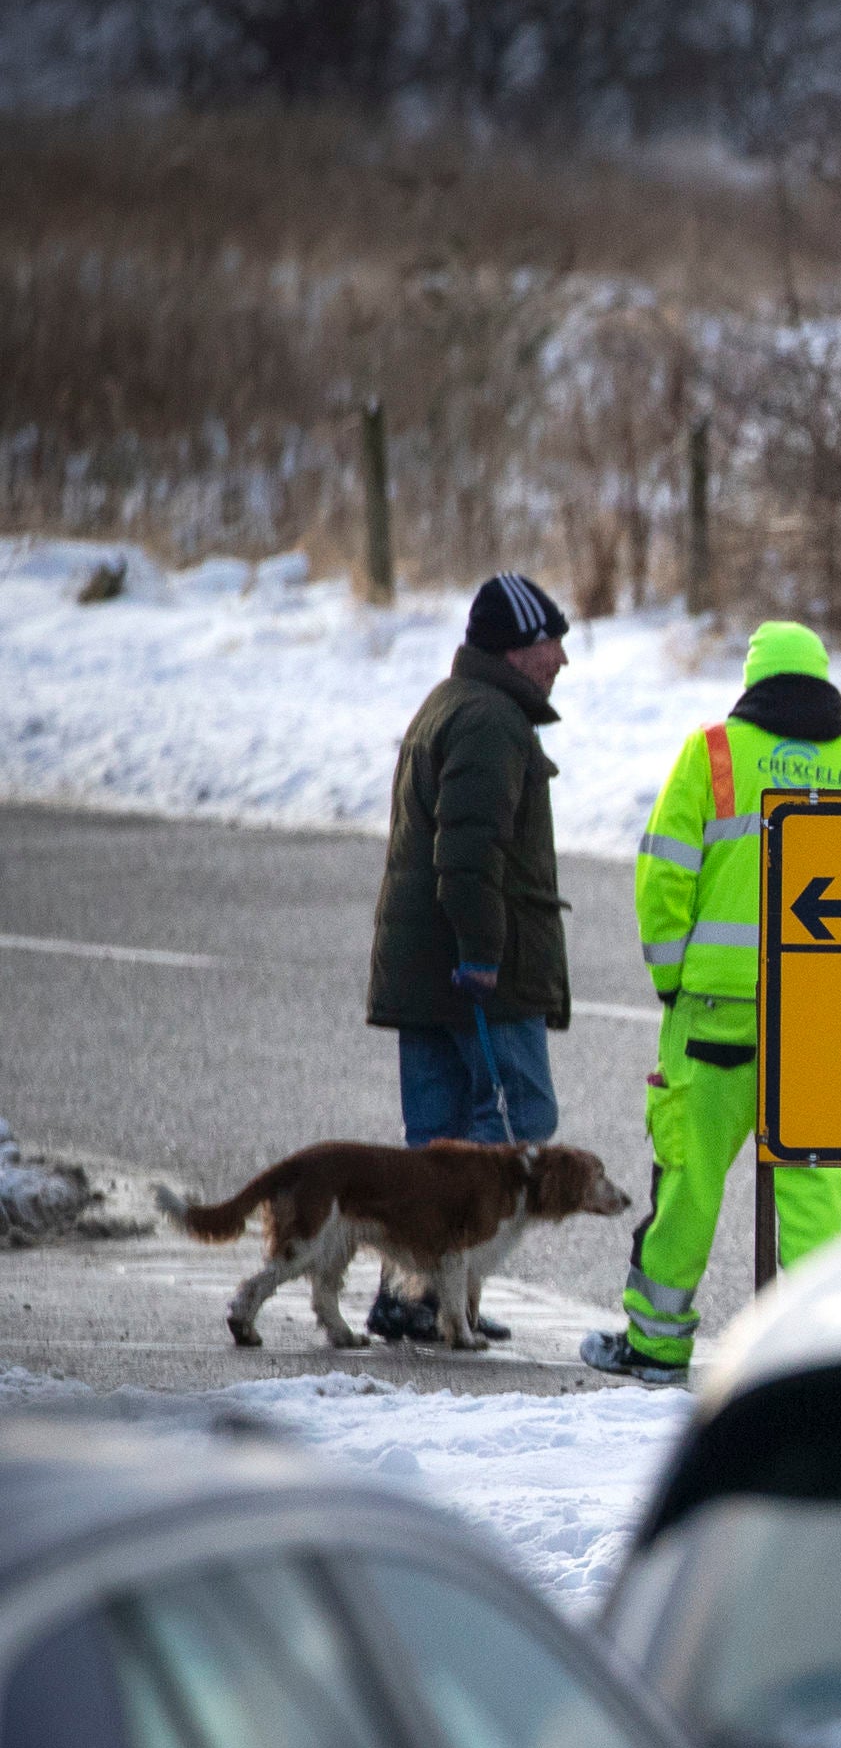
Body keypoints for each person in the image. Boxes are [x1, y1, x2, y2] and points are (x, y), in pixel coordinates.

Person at [580, 622, 841, 1386]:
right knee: (814, 1182)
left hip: (714, 1016)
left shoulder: (713, 753)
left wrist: (671, 981)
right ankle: (822, 1353)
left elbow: (663, 877)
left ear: (753, 679)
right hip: (819, 1022)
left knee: (688, 1179)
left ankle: (656, 1344)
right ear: (824, 680)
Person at [362, 571, 574, 1345]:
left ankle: (416, 1292)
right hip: (474, 974)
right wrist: (484, 952)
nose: (560, 659)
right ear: (517, 649)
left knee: (437, 1141)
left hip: (425, 973)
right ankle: (433, 1292)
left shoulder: (454, 704)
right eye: (551, 642)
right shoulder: (489, 720)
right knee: (516, 1122)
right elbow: (470, 850)